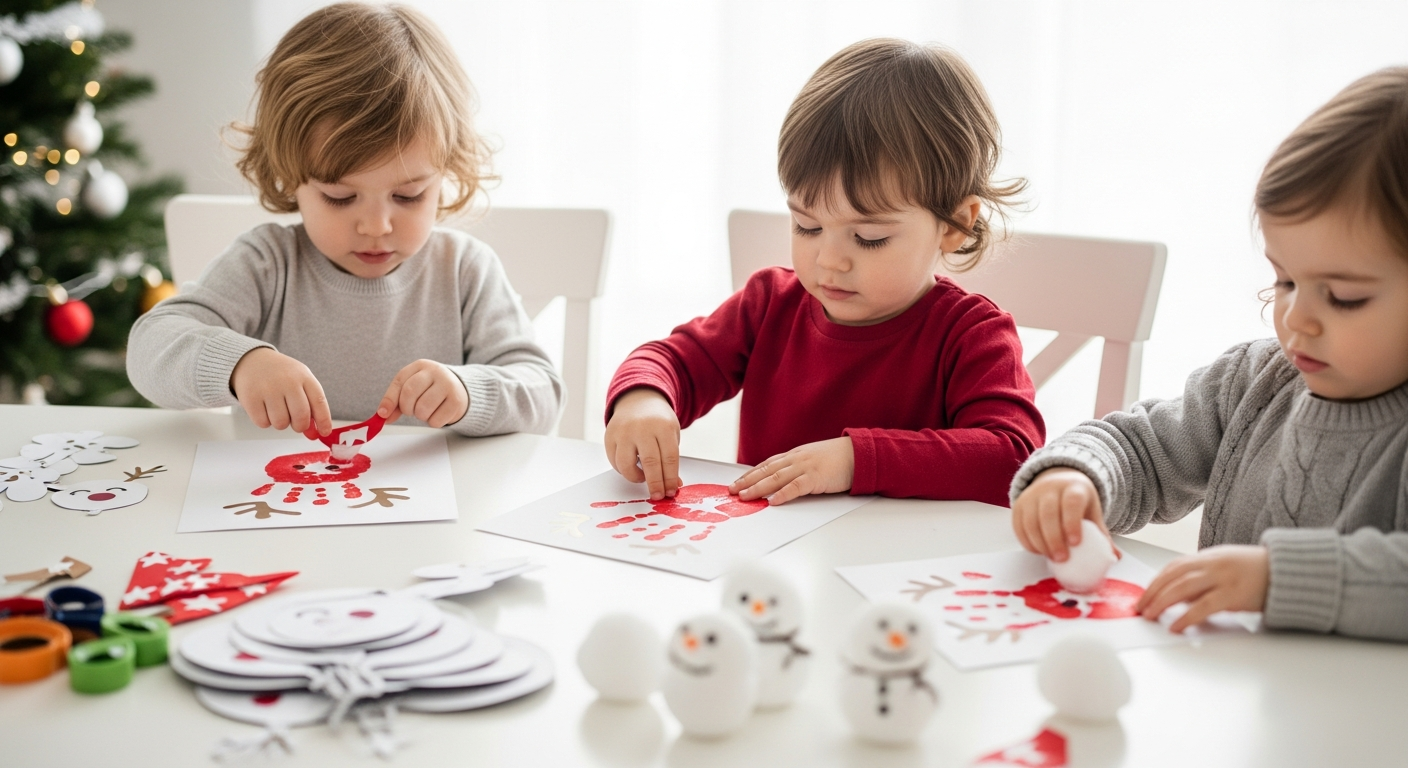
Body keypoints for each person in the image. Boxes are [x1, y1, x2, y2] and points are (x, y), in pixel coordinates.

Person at [1010, 68, 1408, 641]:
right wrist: (1075, 477)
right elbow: (1140, 447)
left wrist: (1279, 580)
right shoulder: (1255, 382)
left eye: (1343, 297)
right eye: (1285, 282)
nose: (1296, 319)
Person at [604, 38, 1044, 507]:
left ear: (956, 226)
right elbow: (671, 361)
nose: (829, 260)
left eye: (869, 237)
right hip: (772, 564)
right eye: (807, 226)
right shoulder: (769, 303)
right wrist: (644, 397)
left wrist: (853, 460)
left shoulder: (972, 335)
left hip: (895, 570)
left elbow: (1012, 458)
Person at [128, 3, 562, 437]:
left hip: (438, 501)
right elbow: (149, 349)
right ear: (289, 174)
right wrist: (240, 364)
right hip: (280, 500)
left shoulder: (464, 271)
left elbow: (542, 394)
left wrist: (470, 393)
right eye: (340, 197)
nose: (376, 226)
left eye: (408, 195)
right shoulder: (267, 264)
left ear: (446, 171)